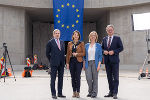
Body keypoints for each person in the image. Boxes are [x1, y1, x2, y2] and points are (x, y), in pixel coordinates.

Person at [102, 25, 123, 99]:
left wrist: (114, 51)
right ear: (106, 31)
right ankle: (110, 92)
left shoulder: (117, 38)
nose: (110, 31)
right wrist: (103, 51)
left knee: (116, 78)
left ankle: (115, 93)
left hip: (115, 61)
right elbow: (102, 48)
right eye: (108, 30)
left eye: (111, 30)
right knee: (109, 77)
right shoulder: (104, 39)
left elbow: (121, 48)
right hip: (107, 61)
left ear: (113, 30)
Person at [46, 29, 66, 99]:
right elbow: (47, 53)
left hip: (61, 63)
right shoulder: (50, 42)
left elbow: (63, 53)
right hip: (53, 63)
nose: (57, 34)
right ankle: (53, 94)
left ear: (60, 34)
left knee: (61, 79)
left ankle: (60, 93)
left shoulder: (62, 42)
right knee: (53, 79)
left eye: (58, 33)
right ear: (53, 34)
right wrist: (51, 60)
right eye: (56, 33)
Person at [66, 30, 85, 98]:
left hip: (78, 61)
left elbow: (83, 53)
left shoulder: (81, 43)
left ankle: (78, 92)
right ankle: (74, 91)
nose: (76, 36)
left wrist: (77, 54)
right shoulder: (69, 44)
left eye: (77, 35)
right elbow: (68, 54)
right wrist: (67, 63)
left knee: (78, 77)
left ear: (79, 36)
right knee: (73, 77)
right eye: (75, 35)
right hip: (71, 61)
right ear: (73, 36)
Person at [83, 31, 102, 98]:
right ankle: (90, 91)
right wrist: (84, 64)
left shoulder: (98, 45)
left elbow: (100, 56)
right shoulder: (86, 45)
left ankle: (94, 93)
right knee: (88, 78)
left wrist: (99, 65)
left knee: (95, 78)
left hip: (95, 63)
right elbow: (84, 56)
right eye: (91, 35)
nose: (93, 36)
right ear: (89, 37)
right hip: (88, 63)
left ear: (96, 37)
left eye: (94, 35)